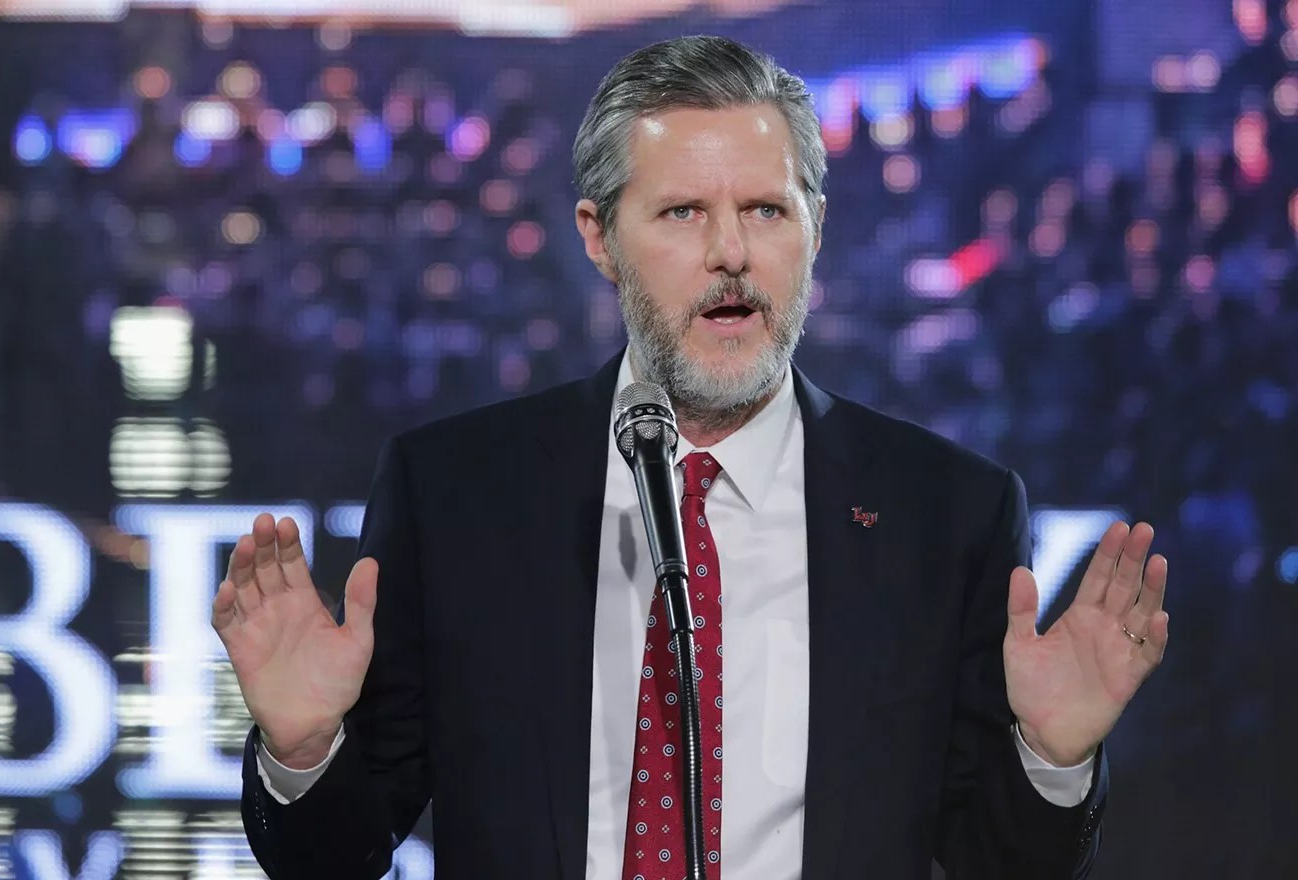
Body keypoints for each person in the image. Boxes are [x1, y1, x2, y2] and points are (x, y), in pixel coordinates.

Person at [213, 35, 1169, 879]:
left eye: (765, 210)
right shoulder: (458, 493)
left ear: (815, 230)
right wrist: (303, 750)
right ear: (601, 239)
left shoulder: (946, 513)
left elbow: (999, 862)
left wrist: (1049, 759)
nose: (731, 254)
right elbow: (336, 857)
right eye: (681, 214)